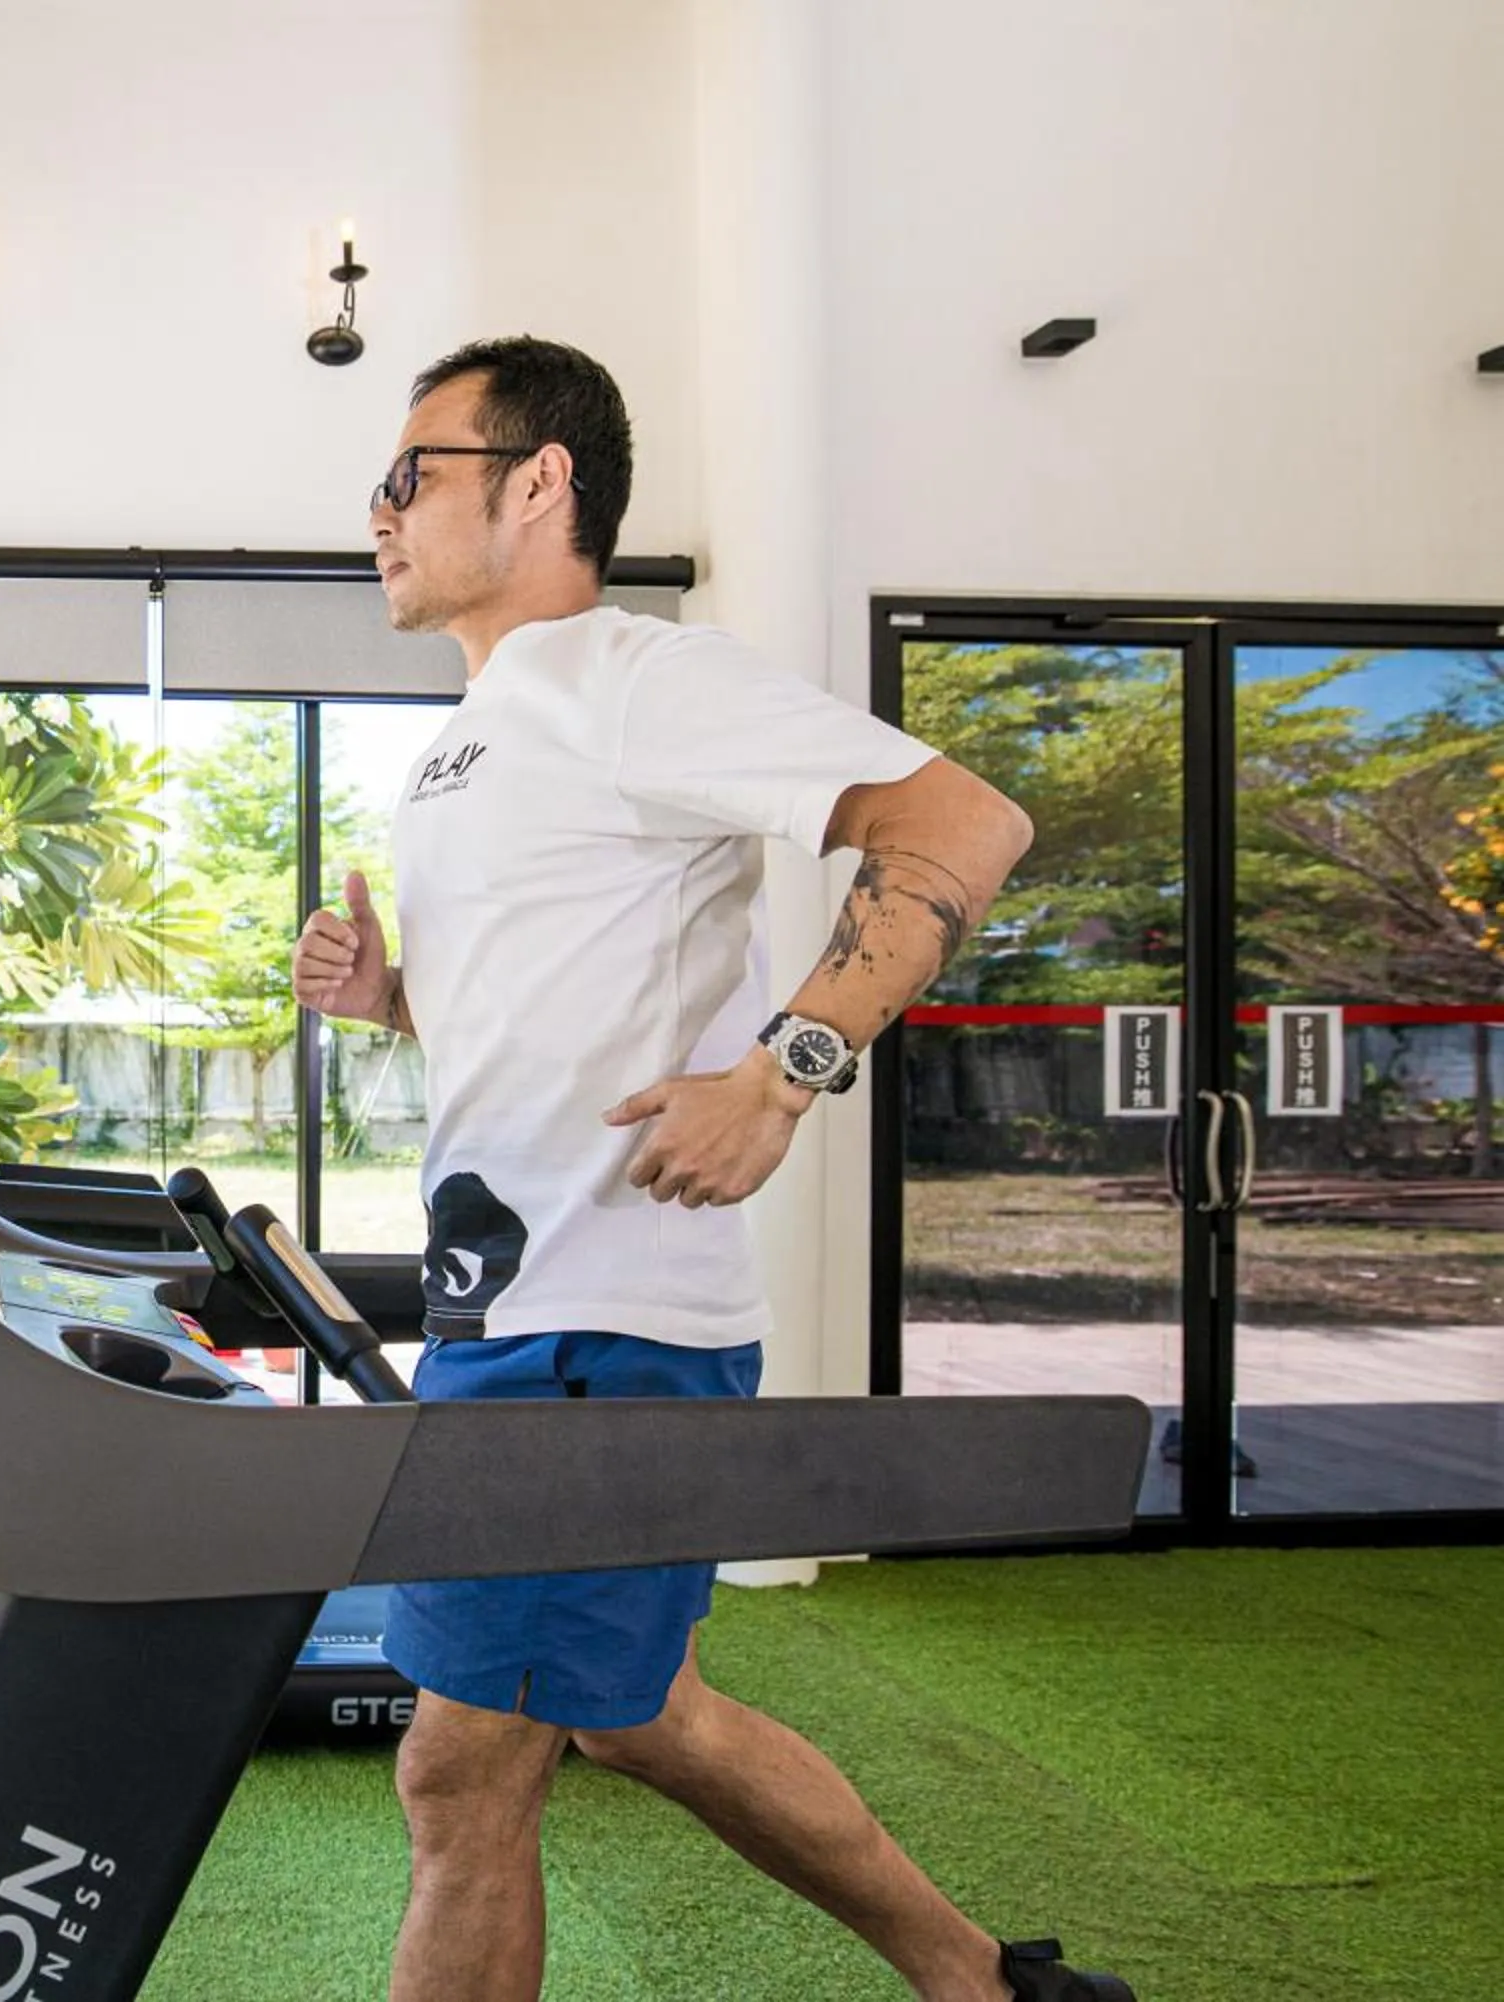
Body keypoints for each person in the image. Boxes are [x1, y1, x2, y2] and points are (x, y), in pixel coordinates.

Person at [291, 336, 1132, 2002]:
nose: (376, 514)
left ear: (540, 484)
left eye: (410, 475)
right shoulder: (463, 740)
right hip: (509, 1312)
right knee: (638, 1717)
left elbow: (963, 825)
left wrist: (787, 1067)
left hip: (600, 1332)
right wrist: (392, 995)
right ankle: (980, 1979)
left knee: (462, 1775)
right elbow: (555, 1007)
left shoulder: (634, 674)